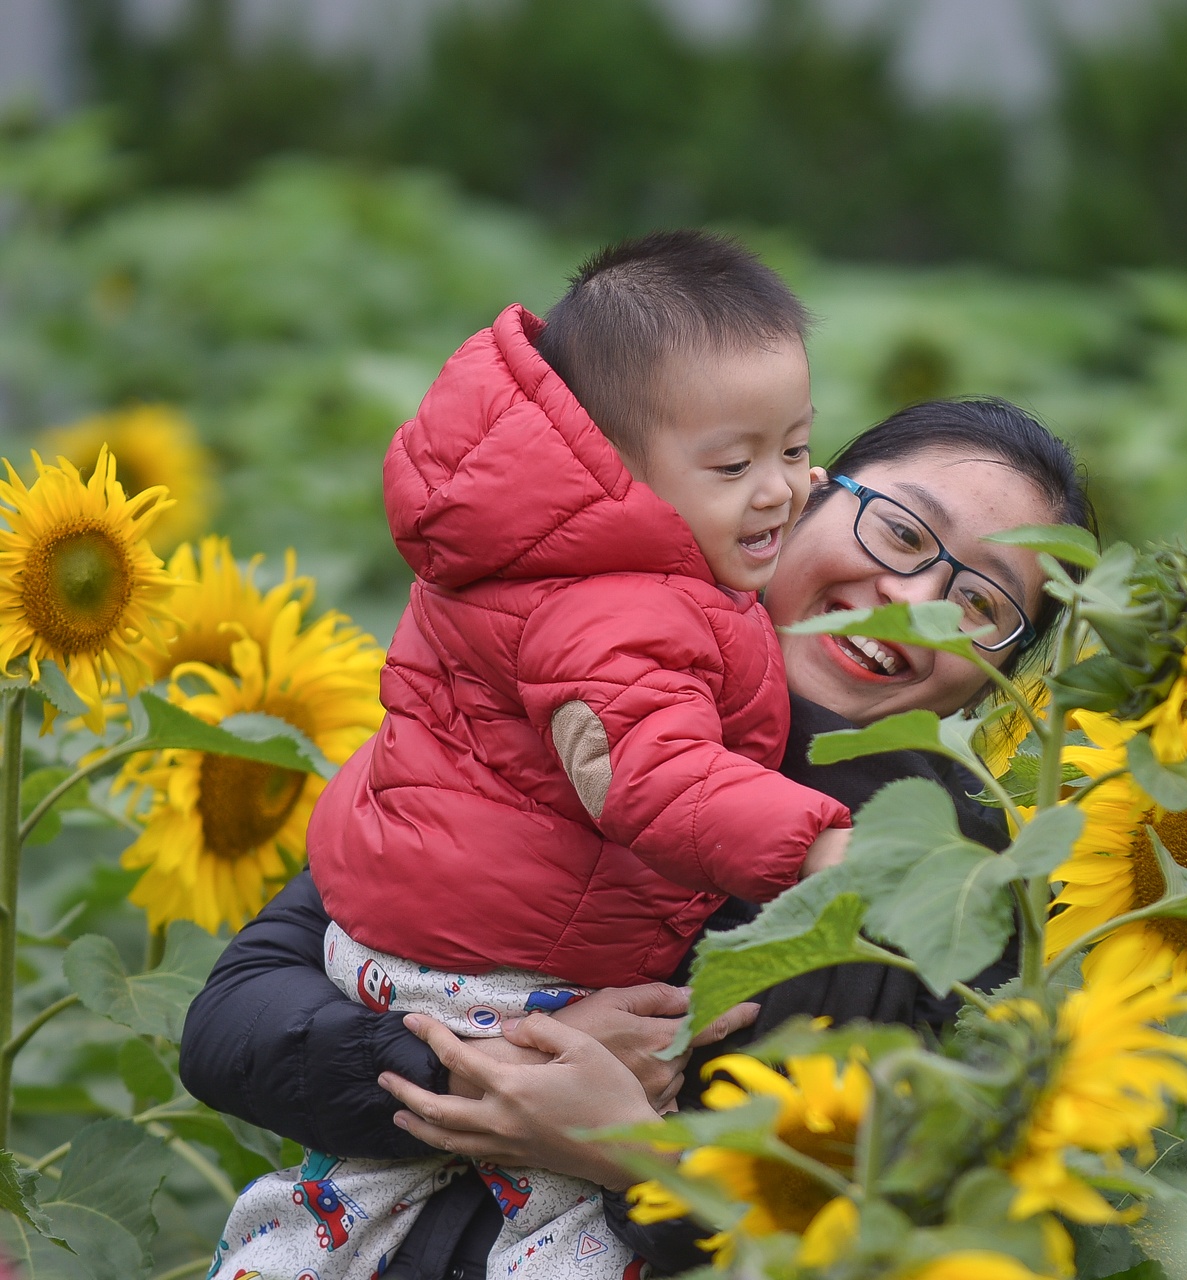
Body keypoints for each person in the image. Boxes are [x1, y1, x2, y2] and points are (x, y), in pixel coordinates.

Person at [181, 398, 1097, 1280]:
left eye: (981, 604)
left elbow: (891, 1228)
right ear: (802, 499)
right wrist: (491, 1068)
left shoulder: (960, 889)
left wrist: (634, 1154)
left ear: (999, 678)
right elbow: (233, 1022)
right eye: (900, 532)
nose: (912, 596)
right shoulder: (569, 682)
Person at [210, 230, 879, 1280]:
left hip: (409, 932)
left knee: (357, 1198)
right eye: (734, 465)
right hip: (496, 976)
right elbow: (652, 774)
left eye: (797, 451)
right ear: (612, 465)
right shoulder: (619, 609)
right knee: (568, 1221)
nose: (781, 491)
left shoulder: (549, 553)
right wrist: (820, 847)